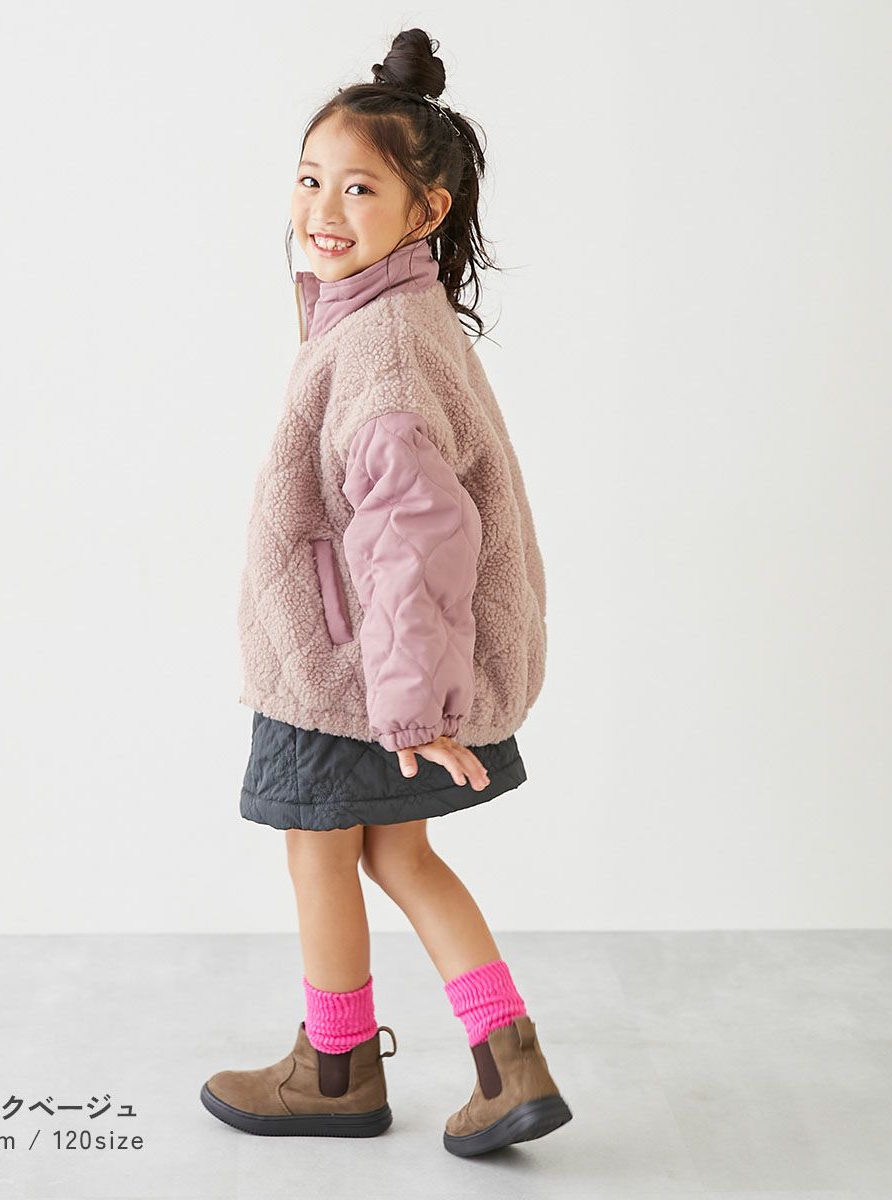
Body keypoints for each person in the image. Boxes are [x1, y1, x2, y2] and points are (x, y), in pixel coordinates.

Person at [200, 28, 573, 1157]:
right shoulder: (384, 318)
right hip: (376, 657)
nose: (322, 208)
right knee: (397, 854)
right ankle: (507, 1063)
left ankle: (336, 1071)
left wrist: (412, 707)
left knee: (322, 847)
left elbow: (415, 534)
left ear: (427, 212)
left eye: (359, 187)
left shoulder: (383, 351)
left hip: (347, 669)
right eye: (309, 178)